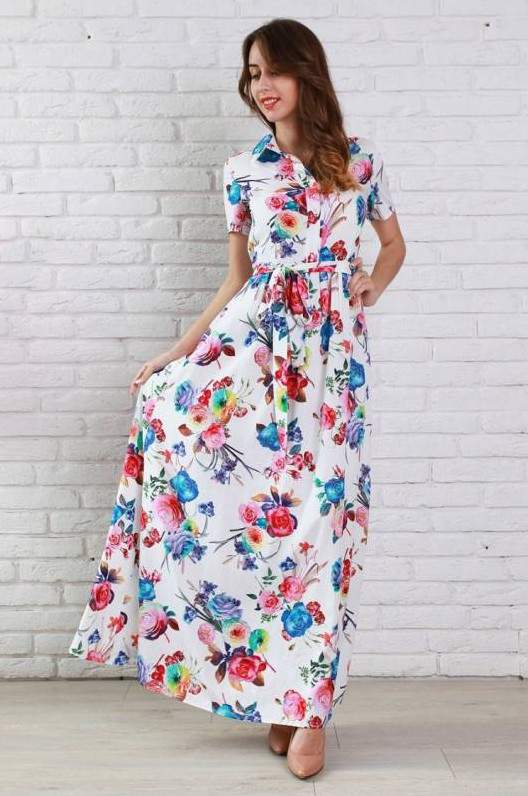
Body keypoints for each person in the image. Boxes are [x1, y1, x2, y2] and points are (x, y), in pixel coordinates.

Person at [68, 17, 406, 780]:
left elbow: (393, 246)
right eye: (252, 73)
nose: (262, 85)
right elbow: (238, 278)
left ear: (306, 73)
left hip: (332, 362)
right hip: (254, 349)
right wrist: (178, 352)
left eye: (273, 69)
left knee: (322, 523)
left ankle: (308, 707)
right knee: (237, 494)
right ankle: (281, 695)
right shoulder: (244, 170)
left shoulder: (360, 161)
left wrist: (369, 286)